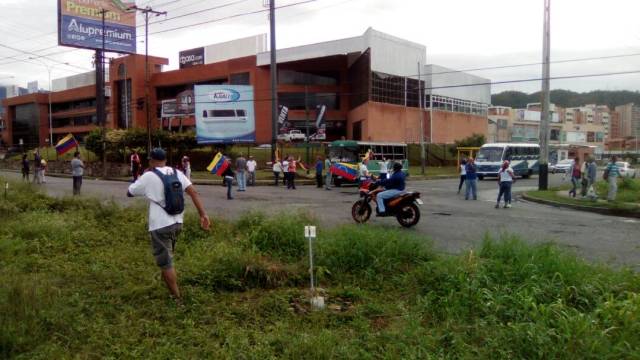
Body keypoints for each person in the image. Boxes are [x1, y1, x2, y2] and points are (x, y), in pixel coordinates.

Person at [127, 148, 210, 304]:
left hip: (160, 226)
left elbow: (130, 191)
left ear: (151, 161)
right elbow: (193, 193)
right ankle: (166, 281)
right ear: (165, 160)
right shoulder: (177, 173)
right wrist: (203, 215)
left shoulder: (148, 175)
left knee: (166, 263)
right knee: (168, 257)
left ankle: (177, 299)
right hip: (178, 223)